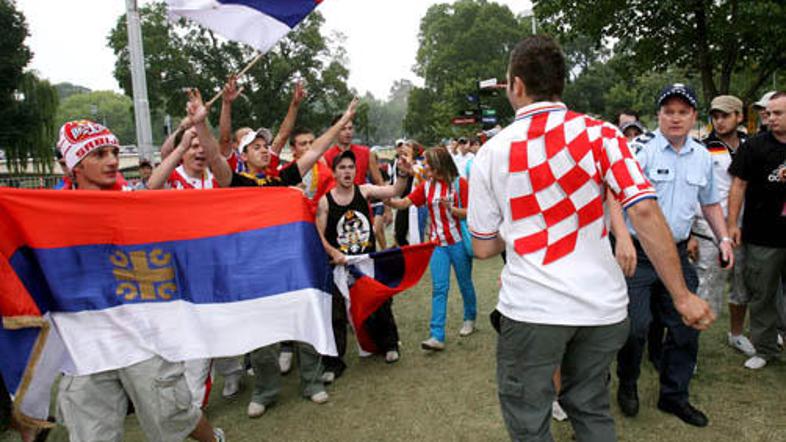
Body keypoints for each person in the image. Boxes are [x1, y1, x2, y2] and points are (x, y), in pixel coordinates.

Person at [467, 36, 714, 441]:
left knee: (529, 421)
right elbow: (645, 211)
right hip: (602, 308)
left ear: (515, 85)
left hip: (532, 309)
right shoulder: (604, 136)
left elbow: (482, 246)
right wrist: (682, 296)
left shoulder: (492, 151)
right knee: (591, 408)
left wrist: (520, 234)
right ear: (561, 83)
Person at [54, 118, 223, 442]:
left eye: (114, 152)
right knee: (91, 432)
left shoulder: (130, 201)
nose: (113, 161)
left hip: (140, 331)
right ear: (75, 165)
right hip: (85, 339)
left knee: (173, 415)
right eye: (100, 154)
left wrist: (182, 148)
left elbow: (151, 188)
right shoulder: (53, 211)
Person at [614, 83, 733, 428]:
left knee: (686, 326)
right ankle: (628, 383)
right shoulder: (640, 149)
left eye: (683, 112)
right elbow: (613, 194)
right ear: (659, 115)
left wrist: (723, 236)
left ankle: (674, 395)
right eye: (669, 111)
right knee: (635, 327)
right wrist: (620, 235)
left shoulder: (702, 155)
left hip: (678, 252)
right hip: (638, 253)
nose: (676, 118)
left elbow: (709, 202)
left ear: (694, 116)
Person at [316, 149, 411, 379]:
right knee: (336, 313)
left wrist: (403, 173)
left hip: (367, 261)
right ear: (335, 172)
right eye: (342, 168)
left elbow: (393, 190)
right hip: (340, 265)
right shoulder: (325, 201)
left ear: (356, 171)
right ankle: (333, 363)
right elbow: (318, 234)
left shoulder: (364, 190)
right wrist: (333, 252)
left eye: (351, 167)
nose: (347, 172)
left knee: (379, 302)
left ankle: (389, 345)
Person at [388, 146, 478, 350]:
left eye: (428, 163)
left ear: (439, 165)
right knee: (439, 288)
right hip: (437, 245)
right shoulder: (427, 186)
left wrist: (452, 209)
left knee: (465, 283)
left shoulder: (459, 184)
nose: (425, 166)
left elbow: (471, 212)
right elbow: (404, 203)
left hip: (458, 243)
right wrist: (387, 200)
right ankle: (437, 335)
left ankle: (470, 317)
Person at [686, 95, 755, 356]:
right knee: (705, 287)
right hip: (709, 229)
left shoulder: (751, 145)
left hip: (744, 226)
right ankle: (689, 349)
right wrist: (692, 232)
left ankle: (736, 334)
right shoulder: (702, 148)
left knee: (741, 285)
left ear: (739, 117)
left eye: (725, 115)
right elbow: (693, 191)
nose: (719, 120)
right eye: (715, 115)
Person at [727, 91, 786, 370]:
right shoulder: (754, 146)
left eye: (778, 113)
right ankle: (765, 348)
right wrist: (731, 224)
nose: (770, 118)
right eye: (769, 113)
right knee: (762, 294)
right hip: (763, 235)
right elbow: (738, 186)